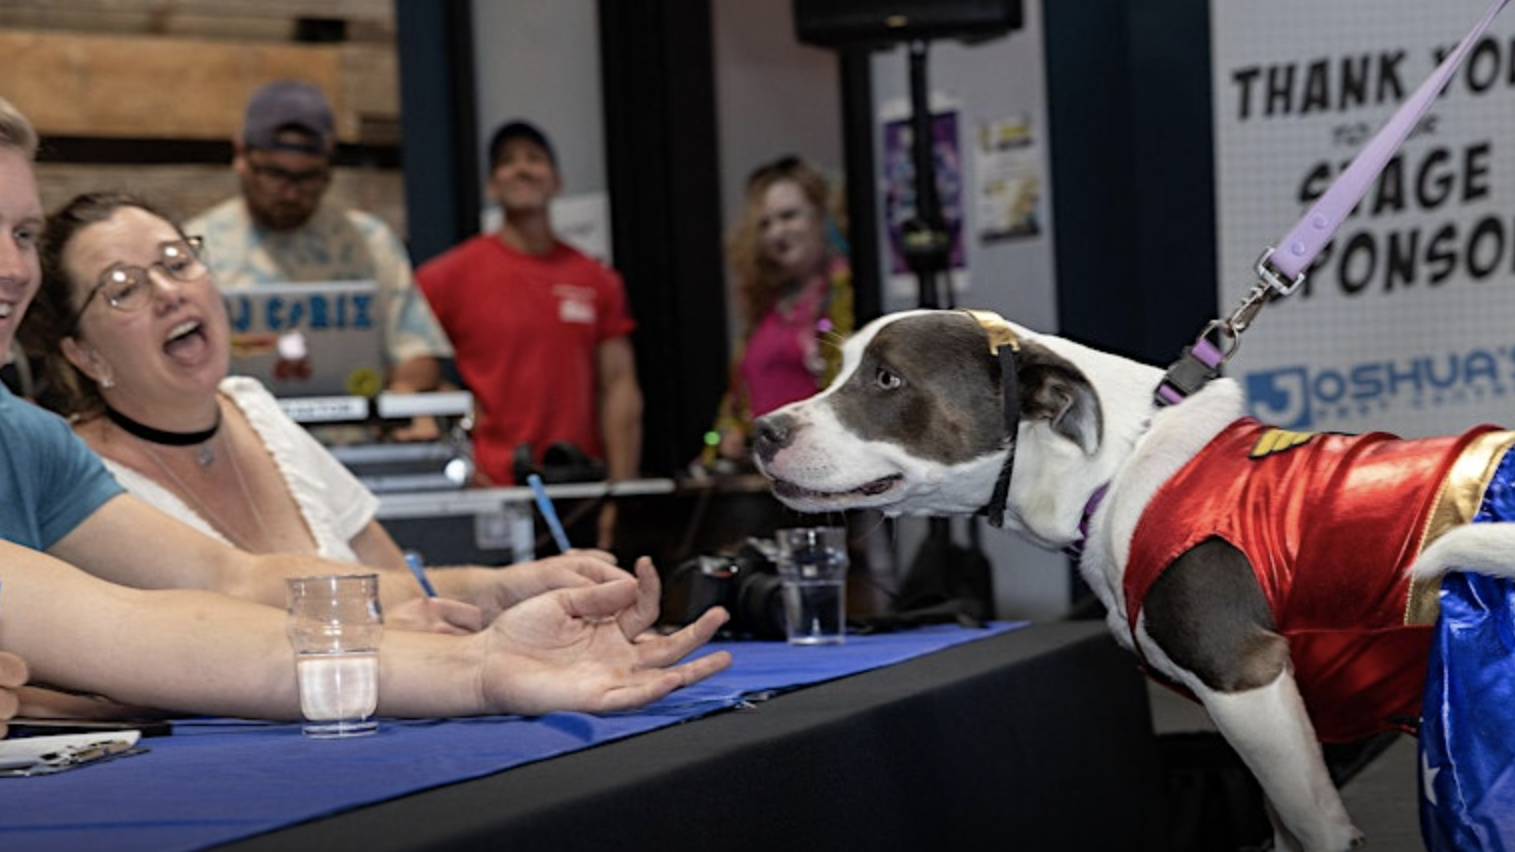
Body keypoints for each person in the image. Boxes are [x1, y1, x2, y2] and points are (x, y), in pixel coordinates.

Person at [0, 95, 730, 726]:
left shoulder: (31, 439)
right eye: (125, 287)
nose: (10, 266)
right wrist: (465, 662)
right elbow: (130, 644)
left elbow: (213, 595)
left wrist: (485, 650)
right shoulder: (68, 446)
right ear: (82, 356)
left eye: (22, 234)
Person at [22, 190, 632, 619]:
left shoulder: (253, 407)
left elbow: (401, 586)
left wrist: (522, 589)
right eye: (123, 288)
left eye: (177, 261)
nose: (168, 293)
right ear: (84, 356)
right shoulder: (72, 476)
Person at [416, 120, 642, 548]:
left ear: (556, 180)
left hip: (579, 488)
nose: (522, 169)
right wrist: (454, 431)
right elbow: (409, 362)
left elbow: (620, 387)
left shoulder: (596, 279)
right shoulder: (447, 276)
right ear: (491, 186)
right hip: (491, 491)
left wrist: (621, 493)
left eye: (535, 159)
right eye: (507, 161)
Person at [185, 80, 452, 405]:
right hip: (234, 441)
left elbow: (417, 351)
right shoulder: (197, 248)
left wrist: (403, 399)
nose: (291, 192)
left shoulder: (369, 242)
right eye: (275, 174)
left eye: (309, 178)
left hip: (353, 441)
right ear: (241, 156)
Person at [705, 155, 853, 467]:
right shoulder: (764, 305)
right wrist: (731, 433)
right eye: (766, 223)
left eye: (788, 216)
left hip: (826, 481)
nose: (776, 233)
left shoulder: (849, 294)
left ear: (821, 217)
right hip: (766, 482)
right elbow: (738, 401)